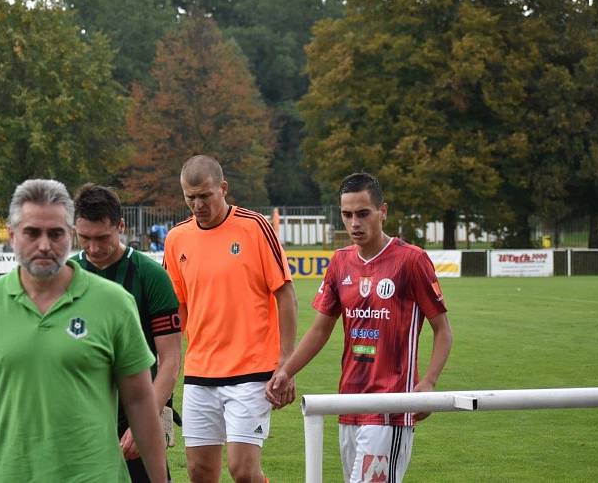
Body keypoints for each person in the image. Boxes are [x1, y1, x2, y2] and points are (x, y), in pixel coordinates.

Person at [0, 179, 167, 483]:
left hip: (95, 475)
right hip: (8, 474)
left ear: (70, 235)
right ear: (12, 235)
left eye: (55, 234)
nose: (44, 245)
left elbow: (139, 401)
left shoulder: (115, 303)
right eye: (32, 233)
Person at [266, 172, 453, 483]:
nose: (354, 223)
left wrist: (429, 382)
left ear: (383, 211)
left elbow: (443, 329)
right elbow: (320, 329)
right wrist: (287, 370)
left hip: (391, 407)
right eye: (347, 214)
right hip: (348, 403)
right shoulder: (339, 262)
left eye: (363, 213)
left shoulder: (411, 261)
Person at [163, 155, 298, 483]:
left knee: (243, 471)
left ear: (223, 188)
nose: (197, 204)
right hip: (199, 373)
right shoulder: (176, 238)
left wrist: (286, 364)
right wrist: (166, 367)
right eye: (190, 197)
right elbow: (175, 309)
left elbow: (286, 296)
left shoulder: (254, 227)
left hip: (251, 373)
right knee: (200, 472)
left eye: (205, 195)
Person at [71, 183, 181, 482]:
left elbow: (170, 360)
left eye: (102, 238)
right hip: (77, 420)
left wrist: (145, 420)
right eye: (84, 238)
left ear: (121, 225)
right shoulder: (64, 276)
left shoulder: (151, 276)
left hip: (135, 414)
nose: (93, 248)